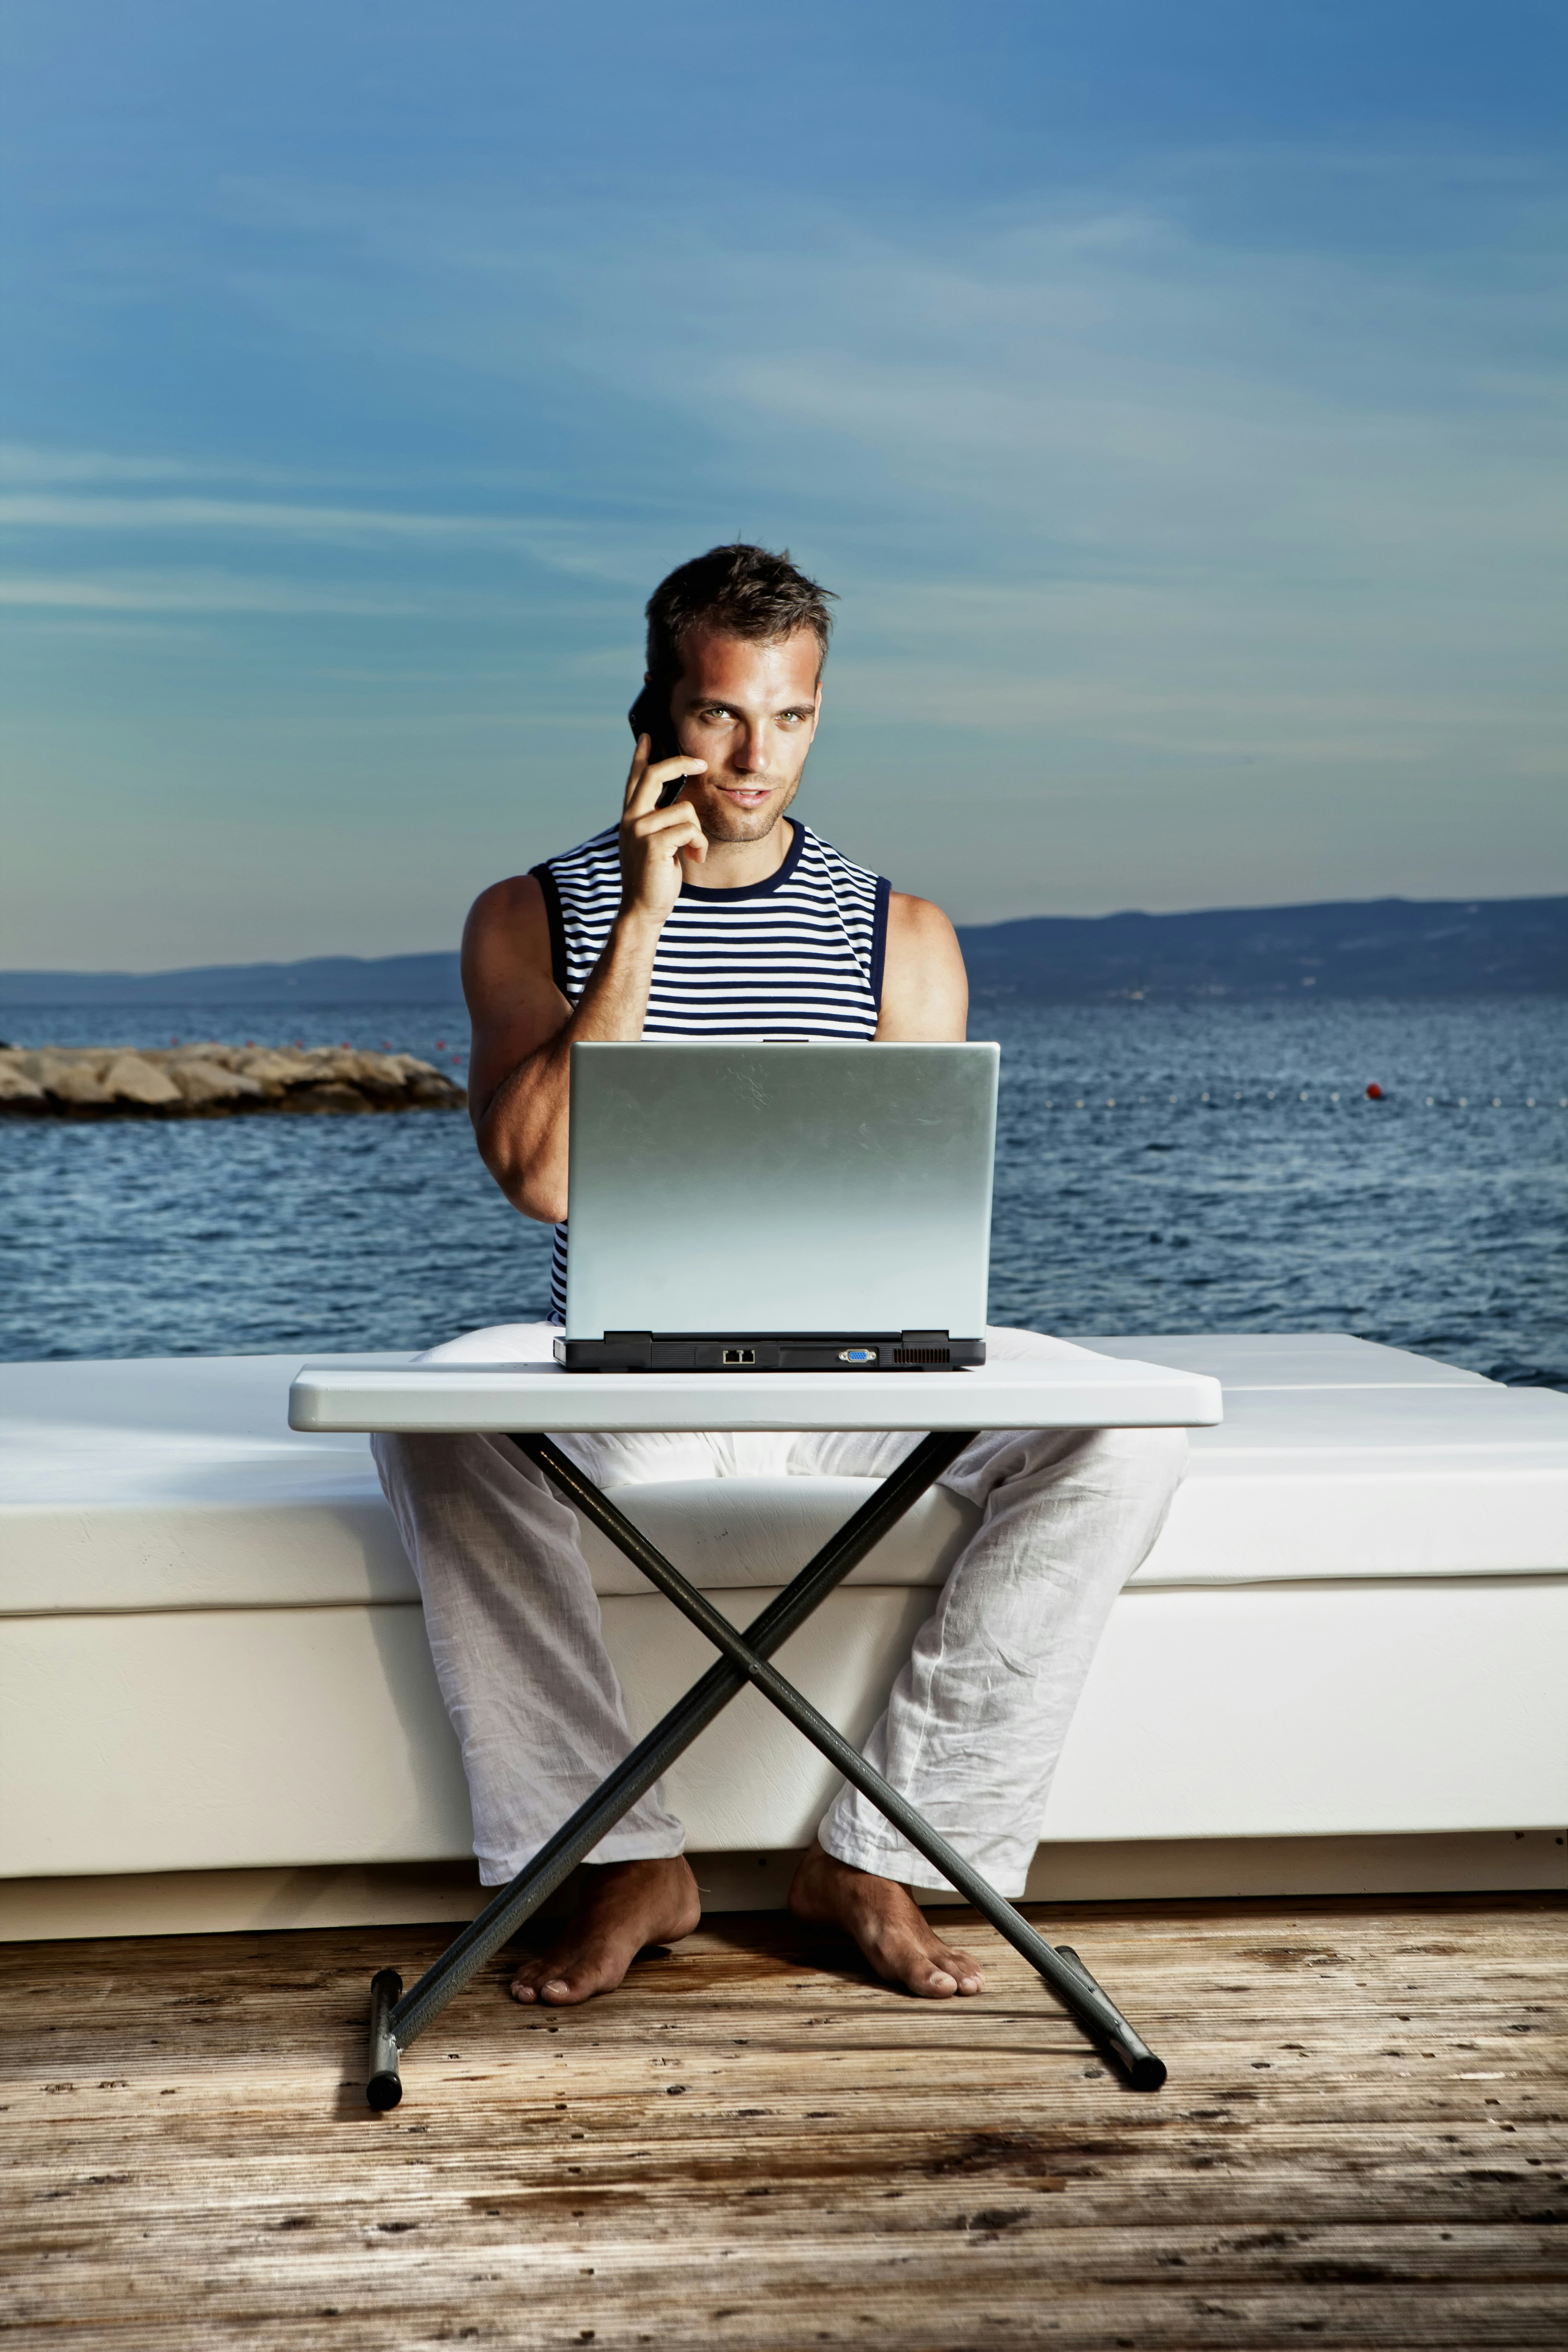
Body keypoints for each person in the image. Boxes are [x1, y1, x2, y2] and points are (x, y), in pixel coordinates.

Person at [373, 544, 1184, 2009]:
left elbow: (914, 1221)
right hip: (628, 1381)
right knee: (430, 1436)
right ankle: (629, 1860)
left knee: (1123, 1433)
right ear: (652, 716)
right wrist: (640, 915)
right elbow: (542, 1177)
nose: (757, 757)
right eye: (721, 714)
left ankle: (878, 1854)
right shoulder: (526, 914)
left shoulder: (905, 934)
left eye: (792, 718)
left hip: (851, 1382)